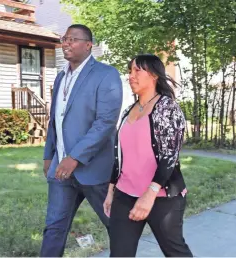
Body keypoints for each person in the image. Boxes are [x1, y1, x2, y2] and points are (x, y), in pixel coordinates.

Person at [40, 24, 123, 257]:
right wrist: (50, 155)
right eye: (64, 39)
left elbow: (105, 122)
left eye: (73, 39)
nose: (66, 43)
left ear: (88, 45)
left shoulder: (106, 75)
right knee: (54, 227)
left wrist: (74, 157)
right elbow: (54, 120)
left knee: (116, 225)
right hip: (60, 169)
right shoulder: (60, 78)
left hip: (94, 169)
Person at [103, 54, 193, 257]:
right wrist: (111, 190)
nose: (131, 76)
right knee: (119, 254)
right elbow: (120, 156)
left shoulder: (167, 108)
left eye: (137, 70)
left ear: (153, 75)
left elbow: (169, 157)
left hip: (161, 197)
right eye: (129, 71)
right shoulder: (128, 111)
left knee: (175, 252)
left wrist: (148, 195)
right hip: (125, 195)